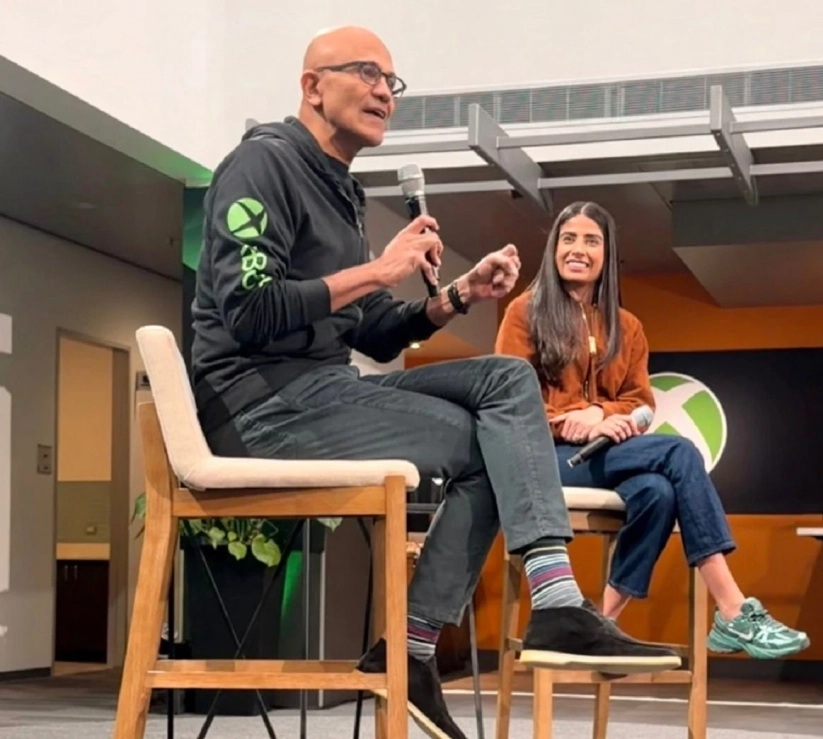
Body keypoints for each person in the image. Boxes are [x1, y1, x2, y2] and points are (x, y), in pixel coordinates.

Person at [189, 26, 680, 739]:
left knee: (506, 385)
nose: (385, 92)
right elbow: (249, 309)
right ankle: (432, 642)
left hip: (326, 388)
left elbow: (368, 331)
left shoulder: (340, 190)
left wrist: (455, 297)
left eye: (392, 81)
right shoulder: (263, 164)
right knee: (497, 444)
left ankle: (528, 611)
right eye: (367, 73)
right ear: (312, 86)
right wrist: (379, 270)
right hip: (259, 404)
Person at [495, 200, 810, 661]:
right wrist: (570, 422)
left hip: (602, 454)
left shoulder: (628, 327)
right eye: (568, 239)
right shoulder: (524, 312)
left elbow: (641, 404)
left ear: (607, 254)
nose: (578, 249)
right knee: (679, 453)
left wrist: (600, 414)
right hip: (543, 457)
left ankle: (600, 623)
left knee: (658, 492)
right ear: (553, 249)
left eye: (591, 240)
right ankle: (732, 608)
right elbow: (507, 403)